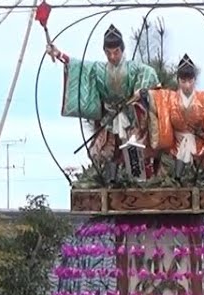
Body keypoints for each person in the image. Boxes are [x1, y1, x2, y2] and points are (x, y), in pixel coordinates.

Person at [48, 24, 160, 182]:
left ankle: (137, 182)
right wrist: (58, 54)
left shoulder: (133, 68)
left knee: (133, 148)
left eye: (116, 52)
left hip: (130, 116)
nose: (113, 57)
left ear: (122, 50)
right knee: (106, 151)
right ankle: (110, 182)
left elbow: (149, 74)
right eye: (108, 53)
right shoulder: (98, 69)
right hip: (110, 117)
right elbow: (78, 67)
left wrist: (140, 91)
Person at [142, 54, 204, 181]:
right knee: (165, 175)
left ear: (195, 80)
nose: (187, 86)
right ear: (178, 80)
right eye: (183, 81)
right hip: (175, 147)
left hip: (198, 146)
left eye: (190, 81)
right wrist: (146, 96)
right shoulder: (169, 98)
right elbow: (156, 99)